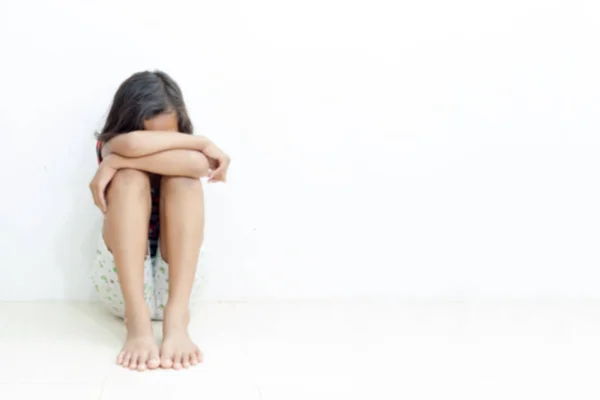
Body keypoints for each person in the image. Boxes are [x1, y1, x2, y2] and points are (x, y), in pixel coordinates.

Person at [89, 70, 230, 371]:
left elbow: (194, 164)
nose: (161, 144)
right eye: (151, 137)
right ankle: (137, 324)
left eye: (171, 138)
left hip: (178, 290)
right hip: (123, 289)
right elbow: (132, 147)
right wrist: (116, 159)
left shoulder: (187, 149)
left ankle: (177, 322)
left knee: (185, 181)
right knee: (128, 180)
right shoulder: (112, 145)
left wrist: (115, 163)